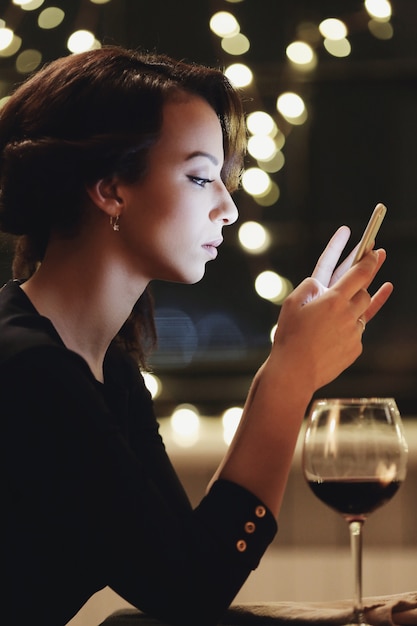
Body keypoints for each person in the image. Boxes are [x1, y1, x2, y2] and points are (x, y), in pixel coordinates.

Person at [0, 45, 392, 626]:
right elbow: (191, 591)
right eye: (201, 177)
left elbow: (180, 566)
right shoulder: (31, 371)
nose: (228, 208)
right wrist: (289, 376)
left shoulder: (106, 369)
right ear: (110, 189)